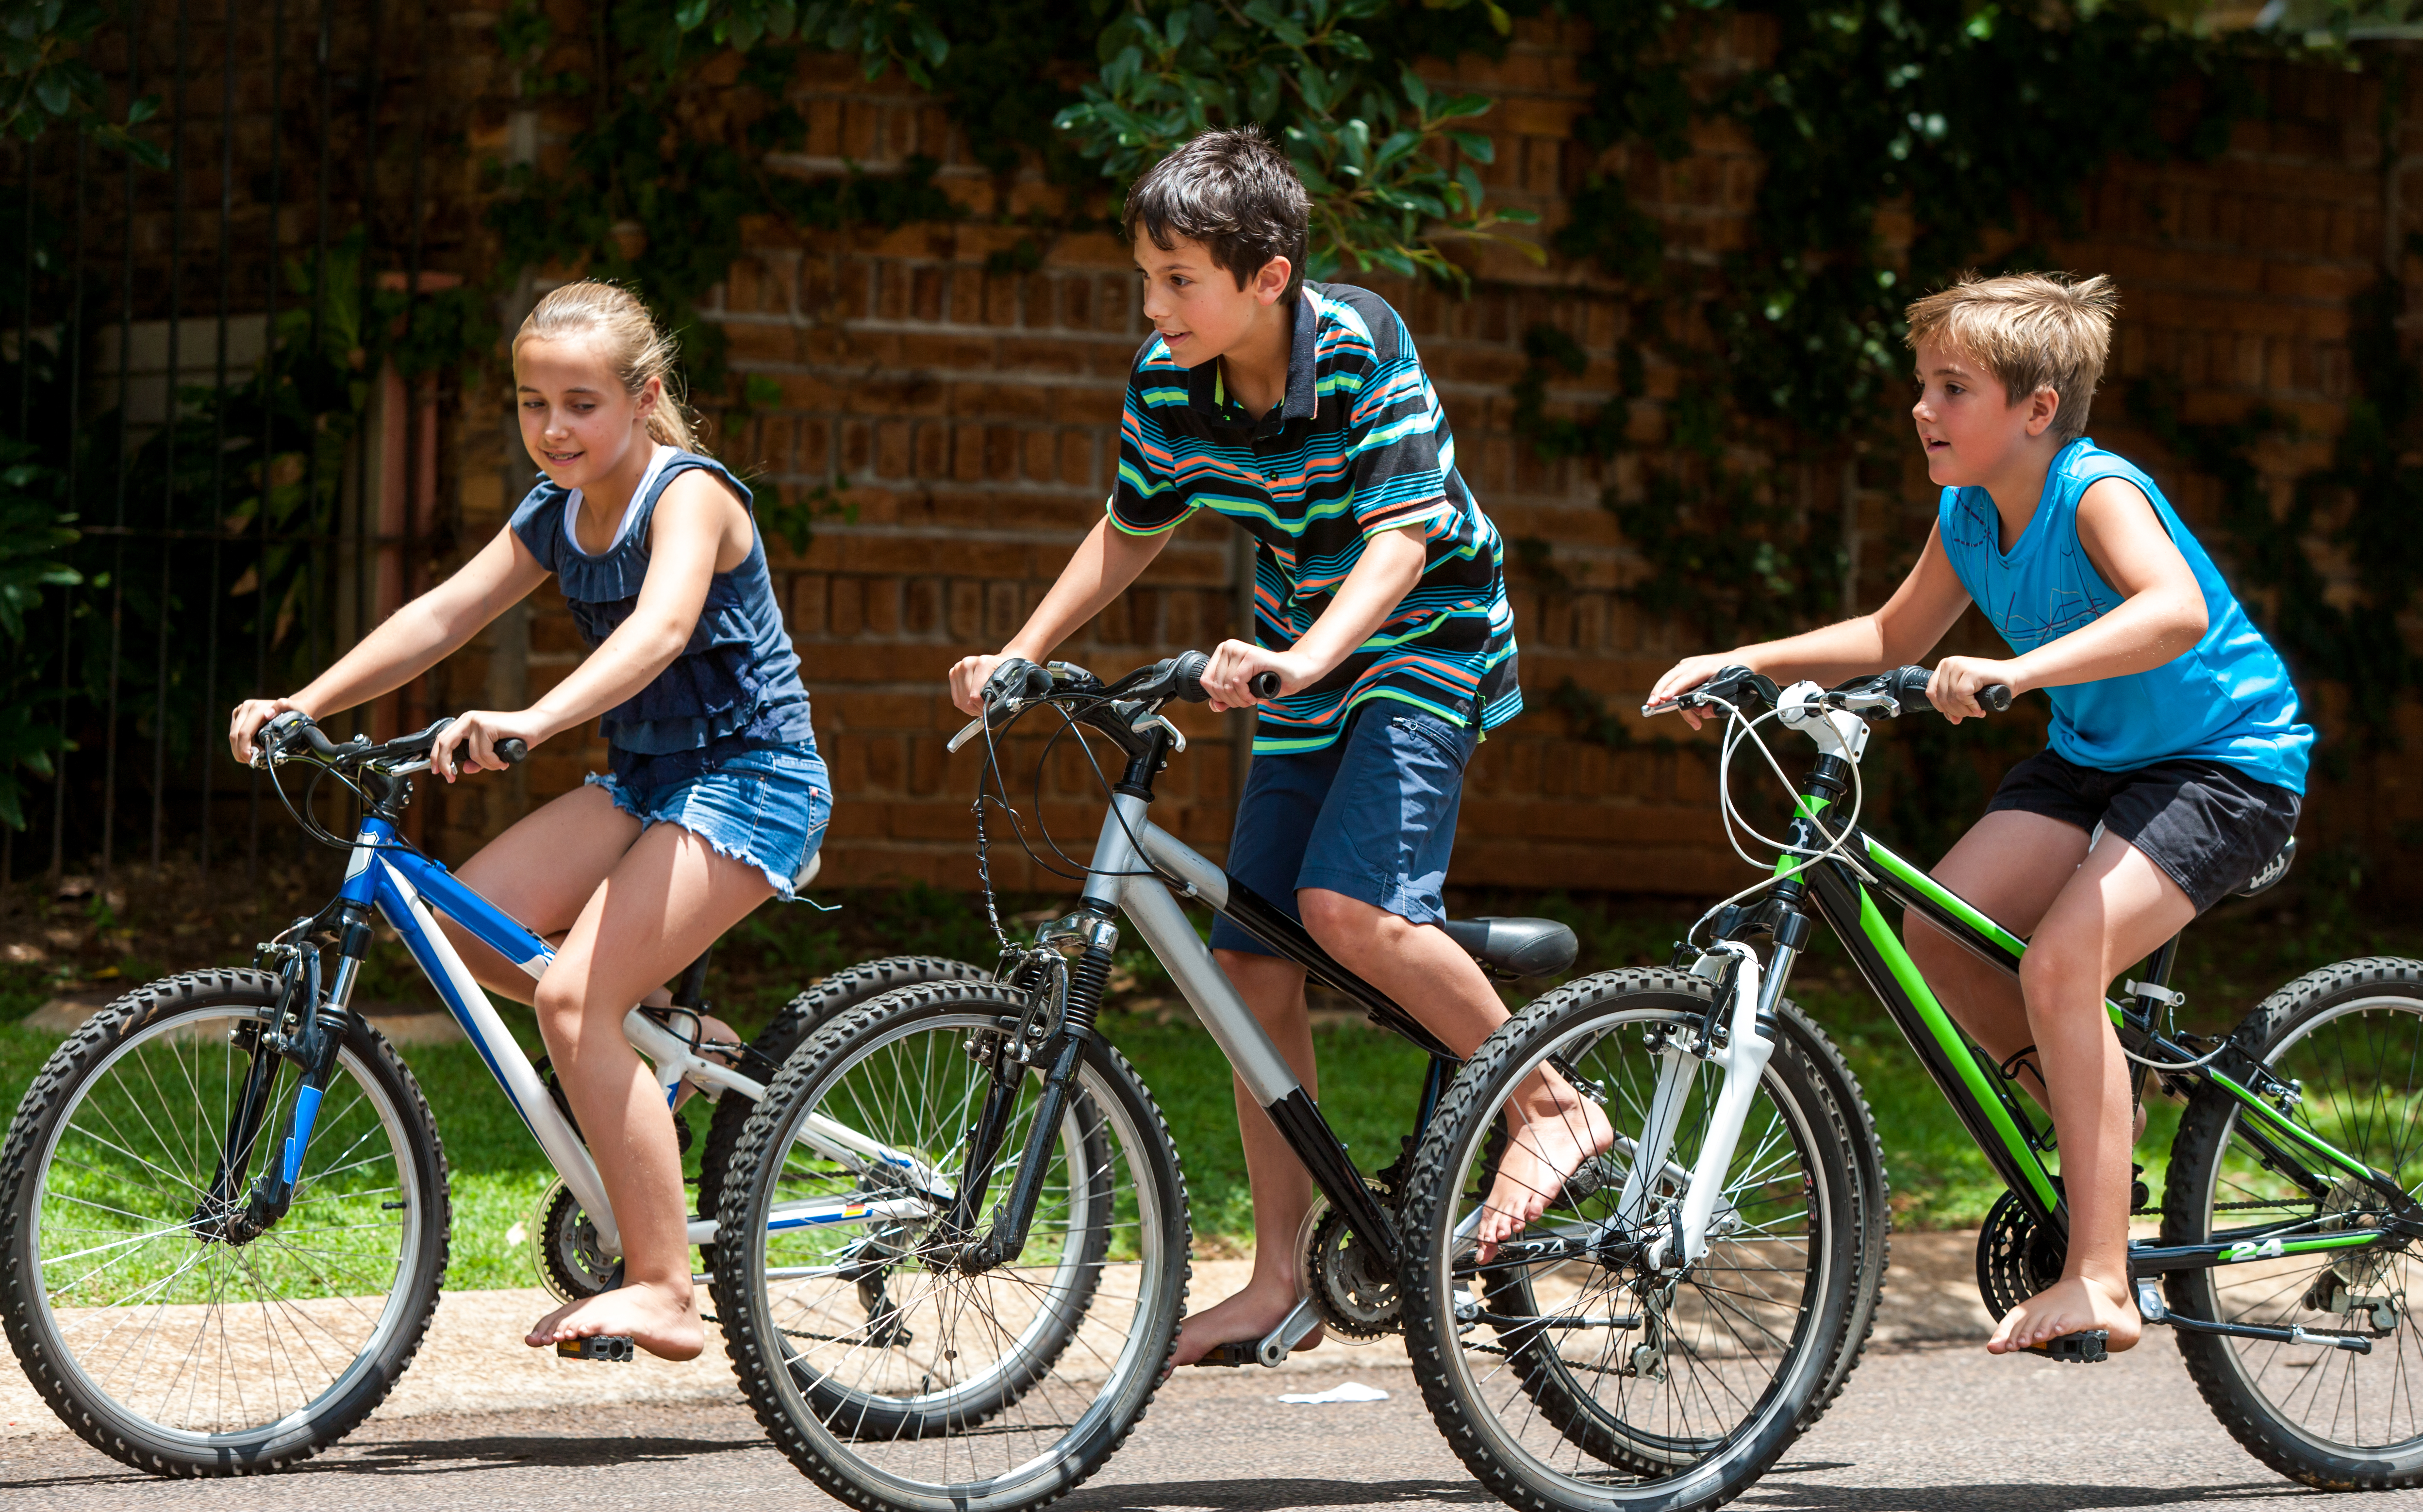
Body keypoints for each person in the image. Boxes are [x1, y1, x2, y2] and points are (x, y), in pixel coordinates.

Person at [947, 127, 1611, 1369]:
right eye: (1146, 277)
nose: (1155, 306)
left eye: (1179, 279)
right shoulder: (1170, 377)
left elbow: (1407, 539)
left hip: (1425, 640)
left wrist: (1309, 656)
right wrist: (1022, 650)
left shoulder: (1362, 346)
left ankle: (1556, 1104)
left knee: (1348, 909)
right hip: (1298, 652)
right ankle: (1278, 1278)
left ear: (1270, 276)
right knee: (1253, 962)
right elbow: (1130, 523)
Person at [1649, 271, 2310, 1357]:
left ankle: (2102, 1276)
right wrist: (1741, 659)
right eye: (1921, 384)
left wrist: (2020, 672)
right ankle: (2101, 1117)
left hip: (2221, 761)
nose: (1922, 407)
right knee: (1937, 929)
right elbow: (1894, 632)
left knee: (2059, 967)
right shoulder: (1966, 511)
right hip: (2096, 755)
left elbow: (2175, 609)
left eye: (1953, 388)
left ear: (2036, 411)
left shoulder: (2096, 492)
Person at [227, 279, 831, 1361]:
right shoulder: (556, 510)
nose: (553, 427)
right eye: (532, 401)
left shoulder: (688, 495)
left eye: (582, 402)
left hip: (752, 780)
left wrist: (537, 717)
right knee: (461, 930)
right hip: (649, 777)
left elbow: (663, 627)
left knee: (568, 1004)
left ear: (645, 398)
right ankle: (680, 1046)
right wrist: (305, 701)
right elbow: (443, 611)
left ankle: (664, 1285)